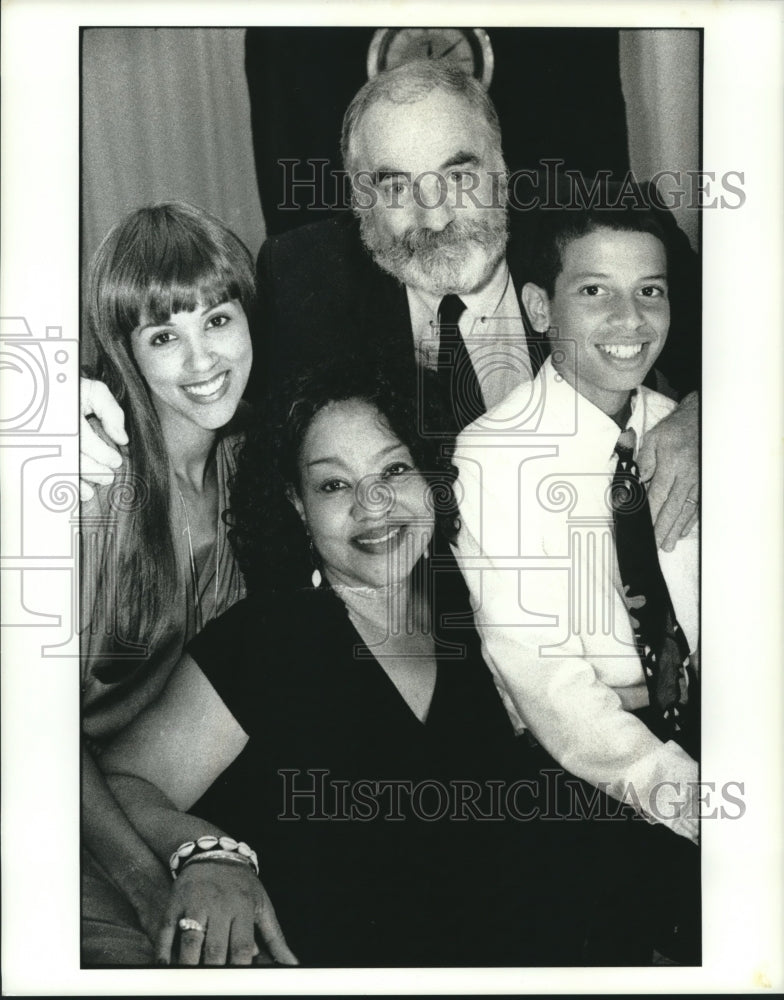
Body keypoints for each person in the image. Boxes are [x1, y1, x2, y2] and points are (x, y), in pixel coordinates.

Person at [79, 59, 700, 552]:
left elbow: (749, 335)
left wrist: (707, 414)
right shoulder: (303, 277)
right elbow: (205, 388)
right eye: (395, 185)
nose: (434, 216)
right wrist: (64, 421)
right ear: (358, 200)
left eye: (458, 176)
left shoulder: (602, 231)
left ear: (504, 169)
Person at [97, 360, 593, 967]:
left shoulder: (476, 612)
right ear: (298, 507)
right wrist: (206, 853)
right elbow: (124, 781)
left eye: (394, 468)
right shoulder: (265, 638)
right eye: (333, 485)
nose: (373, 504)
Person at [451, 202, 700, 960]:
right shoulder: (494, 456)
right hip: (594, 766)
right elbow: (549, 686)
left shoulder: (684, 427)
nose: (630, 317)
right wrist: (694, 799)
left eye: (650, 290)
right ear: (537, 305)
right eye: (595, 291)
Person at [80, 202, 259, 965]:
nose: (201, 362)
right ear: (126, 354)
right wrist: (147, 880)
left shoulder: (250, 465)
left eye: (217, 320)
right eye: (163, 336)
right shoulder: (93, 486)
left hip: (151, 792)